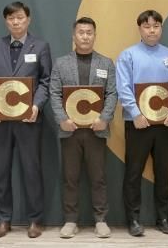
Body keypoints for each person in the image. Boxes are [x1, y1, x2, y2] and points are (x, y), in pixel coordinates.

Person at [0, 1, 52, 238]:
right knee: (2, 170)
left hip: (29, 120)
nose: (16, 22)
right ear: (6, 21)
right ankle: (4, 219)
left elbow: (46, 81)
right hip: (1, 121)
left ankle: (35, 220)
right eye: (11, 18)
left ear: (28, 19)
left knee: (32, 169)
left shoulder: (41, 46)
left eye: (20, 17)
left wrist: (36, 106)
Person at [116, 10, 168, 237]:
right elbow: (123, 88)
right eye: (147, 26)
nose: (151, 30)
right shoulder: (128, 55)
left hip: (166, 124)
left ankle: (163, 218)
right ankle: (133, 219)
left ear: (161, 28)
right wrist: (135, 113)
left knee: (164, 172)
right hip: (137, 123)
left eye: (156, 26)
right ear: (140, 29)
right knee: (133, 172)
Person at [49, 17, 117, 238]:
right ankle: (70, 220)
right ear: (74, 36)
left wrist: (105, 118)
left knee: (98, 177)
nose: (85, 36)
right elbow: (54, 93)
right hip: (70, 130)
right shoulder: (61, 63)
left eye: (89, 32)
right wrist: (62, 118)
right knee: (70, 177)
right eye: (81, 32)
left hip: (97, 130)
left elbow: (112, 93)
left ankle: (100, 220)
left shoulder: (106, 63)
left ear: (95, 36)